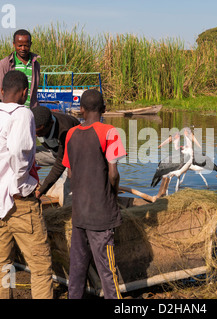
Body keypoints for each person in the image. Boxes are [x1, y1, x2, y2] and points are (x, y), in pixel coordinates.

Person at [0, 70, 53, 299]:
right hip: (21, 203)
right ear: (25, 93)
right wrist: (20, 182)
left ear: (1, 92)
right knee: (40, 266)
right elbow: (18, 151)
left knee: (3, 262)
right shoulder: (23, 114)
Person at [62, 89, 126, 299]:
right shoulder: (110, 132)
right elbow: (114, 174)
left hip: (79, 211)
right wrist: (113, 194)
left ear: (81, 110)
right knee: (108, 270)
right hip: (101, 213)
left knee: (77, 266)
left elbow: (70, 173)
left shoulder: (71, 134)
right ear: (104, 109)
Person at [31, 105, 80, 203]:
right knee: (25, 155)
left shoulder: (65, 130)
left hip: (73, 159)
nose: (35, 135)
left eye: (39, 133)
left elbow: (61, 163)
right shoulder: (36, 121)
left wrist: (41, 190)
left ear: (51, 124)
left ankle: (69, 211)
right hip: (54, 152)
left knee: (67, 197)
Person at [0, 29, 40, 108]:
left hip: (31, 110)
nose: (23, 48)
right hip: (12, 111)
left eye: (26, 45)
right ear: (14, 44)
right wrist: (10, 108)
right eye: (19, 45)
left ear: (30, 44)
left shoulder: (35, 64)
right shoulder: (5, 64)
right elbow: (0, 89)